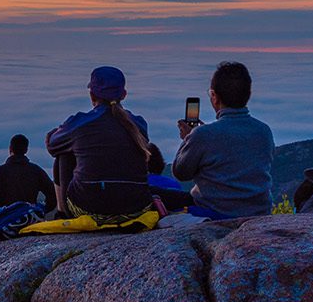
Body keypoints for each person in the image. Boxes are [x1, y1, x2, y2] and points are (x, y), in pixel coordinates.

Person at [45, 67, 166, 218]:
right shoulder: (139, 124)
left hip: (88, 206)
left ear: (91, 95)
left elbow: (52, 145)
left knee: (64, 154)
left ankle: (62, 212)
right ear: (124, 94)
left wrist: (61, 130)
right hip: (136, 206)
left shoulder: (79, 123)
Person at [170, 61, 275, 218]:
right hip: (257, 213)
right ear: (249, 95)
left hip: (215, 212)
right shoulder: (264, 131)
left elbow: (181, 172)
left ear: (214, 96)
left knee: (153, 195)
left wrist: (187, 139)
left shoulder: (203, 135)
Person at [0, 135, 55, 216]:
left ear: (10, 148)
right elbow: (53, 194)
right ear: (26, 150)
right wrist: (41, 210)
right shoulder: (36, 171)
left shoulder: (1, 172)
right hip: (29, 220)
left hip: (6, 222)